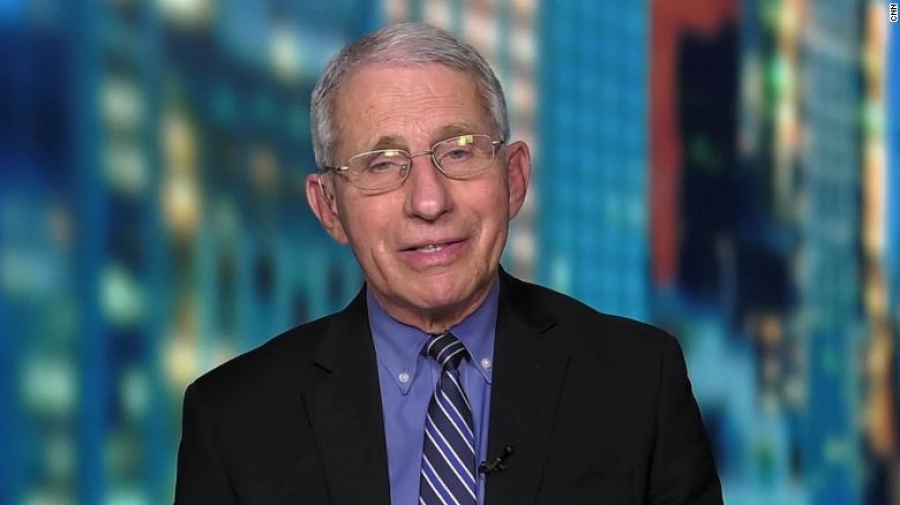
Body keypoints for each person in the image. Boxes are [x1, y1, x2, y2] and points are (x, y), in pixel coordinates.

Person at [174, 22, 722, 505]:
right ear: (329, 208)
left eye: (459, 151)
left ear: (514, 178)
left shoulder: (639, 382)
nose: (429, 201)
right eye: (382, 164)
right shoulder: (231, 422)